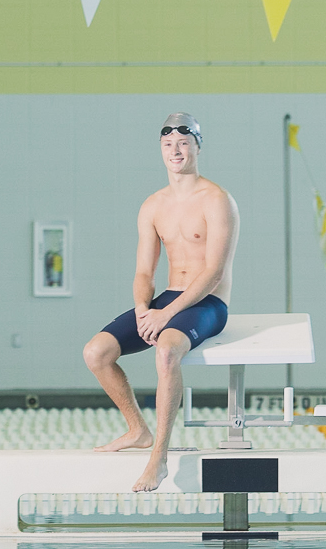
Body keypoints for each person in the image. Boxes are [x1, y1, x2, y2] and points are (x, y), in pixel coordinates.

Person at [83, 113, 240, 492]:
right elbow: (143, 272)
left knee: (167, 352)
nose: (176, 150)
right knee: (96, 352)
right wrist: (142, 309)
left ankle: (159, 460)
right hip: (168, 298)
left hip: (208, 303)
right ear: (161, 151)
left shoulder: (217, 200)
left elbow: (214, 272)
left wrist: (166, 314)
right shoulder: (153, 205)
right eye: (168, 145)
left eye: (183, 143)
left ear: (197, 147)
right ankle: (137, 430)